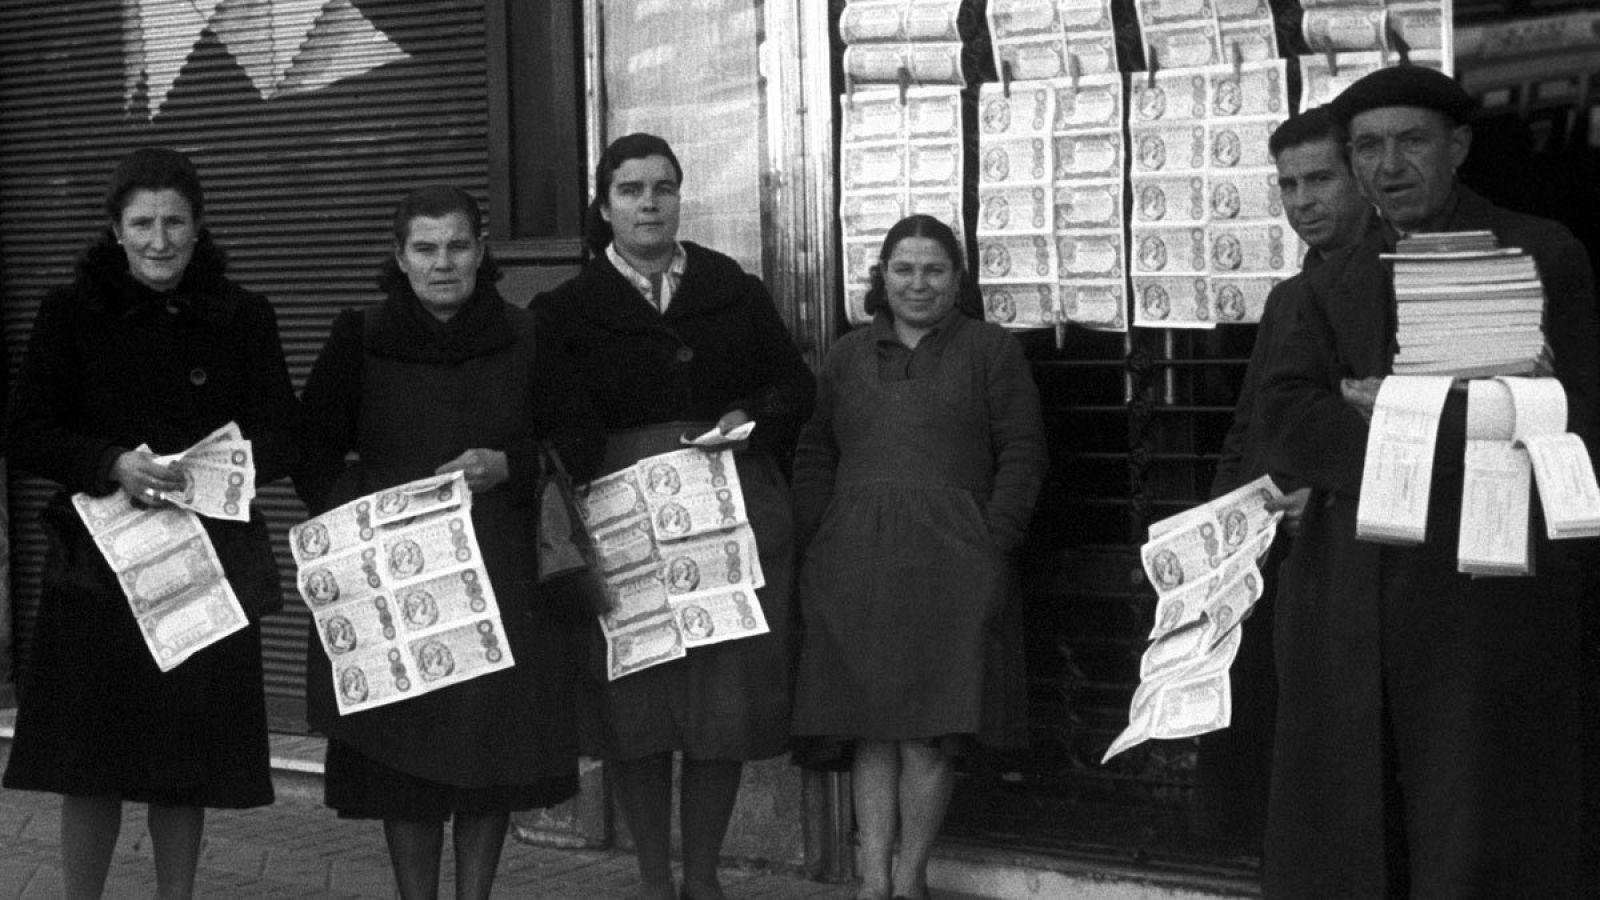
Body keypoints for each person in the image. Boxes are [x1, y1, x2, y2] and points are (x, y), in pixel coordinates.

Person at [1259, 65, 1600, 897]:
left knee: (1486, 815)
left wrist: (1402, 411)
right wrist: (1465, 409)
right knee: (1358, 824)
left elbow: (1579, 412)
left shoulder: (1541, 254)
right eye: (1367, 147)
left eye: (1410, 141)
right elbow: (1290, 423)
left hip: (1494, 591)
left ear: (1458, 147)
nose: (1388, 165)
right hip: (1357, 594)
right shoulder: (1325, 282)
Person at [2, 147, 299, 899]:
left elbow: (282, 434)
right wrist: (110, 463)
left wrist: (223, 466)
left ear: (198, 228)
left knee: (185, 761)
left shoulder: (245, 317)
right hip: (96, 570)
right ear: (115, 229)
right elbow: (28, 429)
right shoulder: (67, 314)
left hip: (204, 565)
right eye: (142, 223)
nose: (159, 240)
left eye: (174, 222)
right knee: (89, 759)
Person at [295, 186, 604, 900]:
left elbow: (582, 438)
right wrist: (358, 519)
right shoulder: (359, 337)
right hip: (391, 584)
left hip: (498, 577)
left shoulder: (527, 334)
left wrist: (510, 466)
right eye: (426, 249)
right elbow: (309, 447)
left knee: (487, 759)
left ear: (482, 250)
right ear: (400, 257)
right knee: (404, 762)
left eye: (458, 246)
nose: (444, 263)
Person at [532, 133, 815, 900]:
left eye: (662, 187)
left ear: (680, 197)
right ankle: (655, 880)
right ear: (604, 205)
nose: (648, 203)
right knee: (639, 699)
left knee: (721, 702)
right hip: (624, 520)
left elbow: (794, 388)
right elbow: (550, 415)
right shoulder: (564, 310)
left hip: (725, 517)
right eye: (630, 189)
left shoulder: (733, 290)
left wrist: (748, 414)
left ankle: (704, 877)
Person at [789, 215, 1048, 900]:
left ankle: (910, 879)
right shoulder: (845, 356)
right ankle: (872, 881)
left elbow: (1022, 451)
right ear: (881, 277)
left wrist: (994, 540)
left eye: (935, 269)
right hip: (853, 566)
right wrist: (815, 536)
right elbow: (817, 448)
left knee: (929, 734)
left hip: (953, 564)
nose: (918, 283)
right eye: (903, 269)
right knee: (872, 731)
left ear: (958, 280)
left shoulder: (991, 351)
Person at [1196, 106, 1374, 851]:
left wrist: (1329, 494)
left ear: (1361, 179)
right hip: (1265, 553)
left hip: (1354, 556)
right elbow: (1251, 423)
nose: (1303, 201)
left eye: (1320, 179)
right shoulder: (1287, 298)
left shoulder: (1394, 291)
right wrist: (1218, 529)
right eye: (1289, 184)